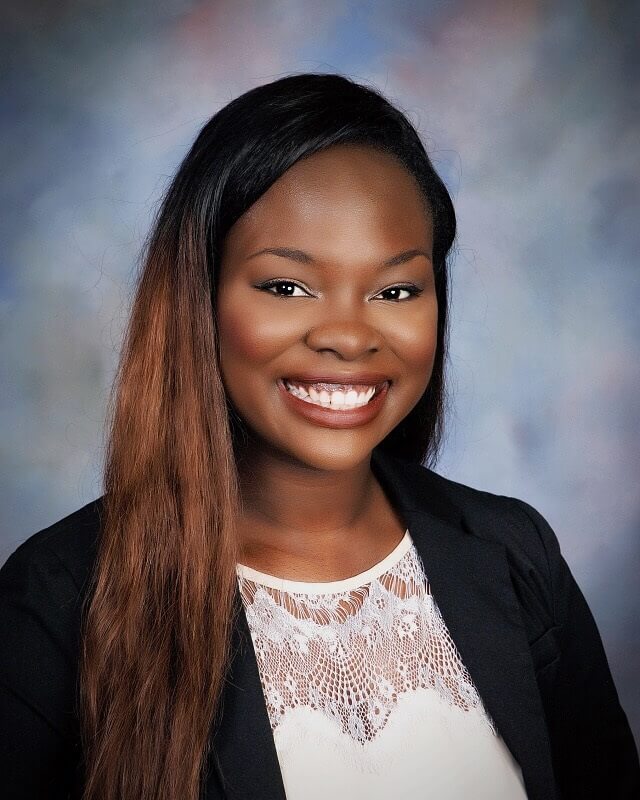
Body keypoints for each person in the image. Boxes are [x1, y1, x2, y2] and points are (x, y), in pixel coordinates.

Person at [0, 73, 637, 800]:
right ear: (199, 296)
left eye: (396, 290)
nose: (348, 336)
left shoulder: (516, 555)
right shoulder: (57, 601)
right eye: (286, 287)